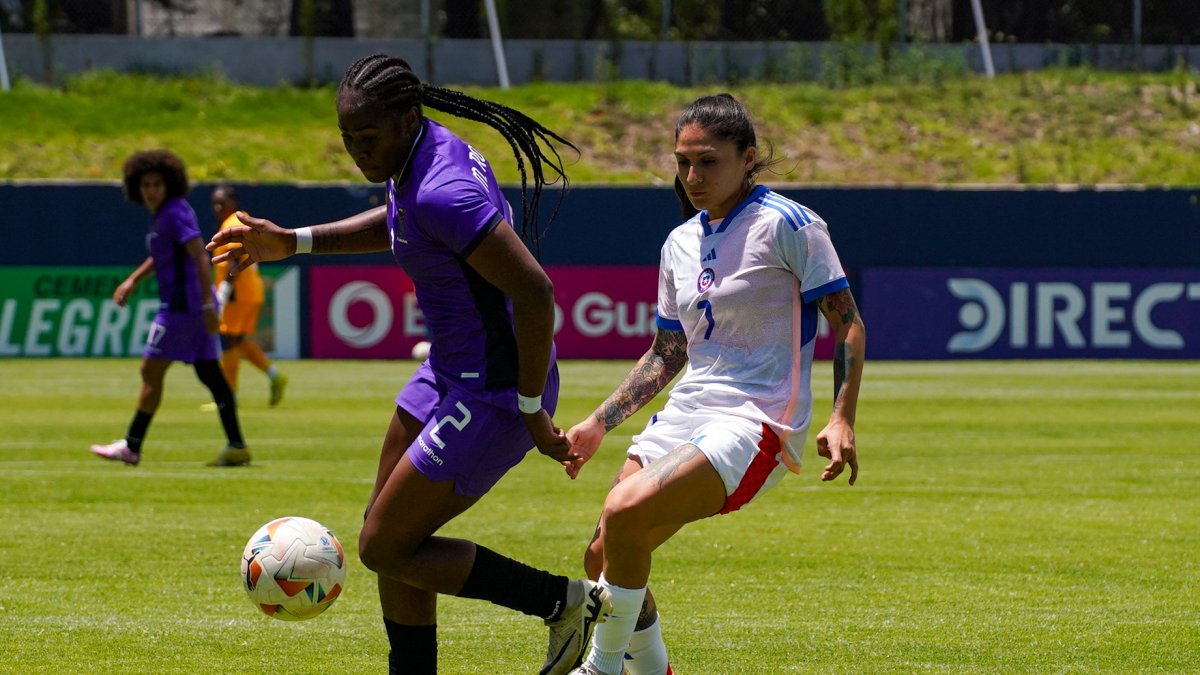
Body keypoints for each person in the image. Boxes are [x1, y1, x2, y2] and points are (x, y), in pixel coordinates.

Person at [207, 54, 607, 675]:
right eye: (348, 140)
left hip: (493, 390)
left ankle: (565, 604)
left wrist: (531, 409)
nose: (358, 153)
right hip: (448, 374)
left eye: (368, 139)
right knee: (392, 540)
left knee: (382, 546)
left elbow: (536, 293)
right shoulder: (419, 156)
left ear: (407, 118)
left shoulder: (443, 189)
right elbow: (402, 223)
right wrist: (295, 241)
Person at [563, 94, 867, 675]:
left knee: (625, 510)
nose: (692, 176)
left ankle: (600, 668)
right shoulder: (678, 243)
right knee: (604, 555)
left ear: (747, 157)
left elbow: (847, 321)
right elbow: (668, 352)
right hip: (688, 412)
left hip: (755, 422)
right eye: (682, 162)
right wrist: (599, 423)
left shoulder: (789, 224)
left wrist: (841, 416)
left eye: (707, 161)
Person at [90, 149, 251, 468]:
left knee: (151, 370)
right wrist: (133, 280)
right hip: (189, 306)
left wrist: (207, 303)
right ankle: (237, 446)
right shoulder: (163, 215)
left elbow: (200, 256)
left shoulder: (175, 212)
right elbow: (162, 254)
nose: (151, 190)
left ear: (169, 185)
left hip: (184, 307)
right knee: (211, 376)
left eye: (157, 184)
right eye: (146, 185)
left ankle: (131, 445)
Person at [208, 184, 288, 408]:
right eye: (214, 203)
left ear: (233, 202)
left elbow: (234, 260)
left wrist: (223, 292)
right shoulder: (243, 220)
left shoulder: (232, 223)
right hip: (249, 291)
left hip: (238, 293)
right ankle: (274, 375)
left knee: (229, 341)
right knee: (238, 341)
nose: (217, 207)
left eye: (221, 202)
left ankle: (228, 397)